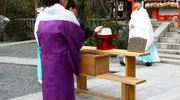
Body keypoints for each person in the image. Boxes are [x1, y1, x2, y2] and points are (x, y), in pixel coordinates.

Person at [34, 0, 102, 99]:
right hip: (62, 62)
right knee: (63, 91)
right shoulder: (67, 16)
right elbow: (77, 38)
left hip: (47, 62)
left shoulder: (41, 16)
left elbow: (38, 40)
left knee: (49, 91)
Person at [120, 0, 160, 67]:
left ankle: (147, 61)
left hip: (143, 32)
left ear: (141, 4)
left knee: (144, 47)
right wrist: (131, 25)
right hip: (135, 32)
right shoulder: (134, 13)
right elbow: (131, 21)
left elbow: (144, 23)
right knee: (134, 47)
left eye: (137, 3)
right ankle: (126, 61)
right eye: (135, 3)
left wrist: (135, 25)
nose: (136, 4)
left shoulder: (144, 12)